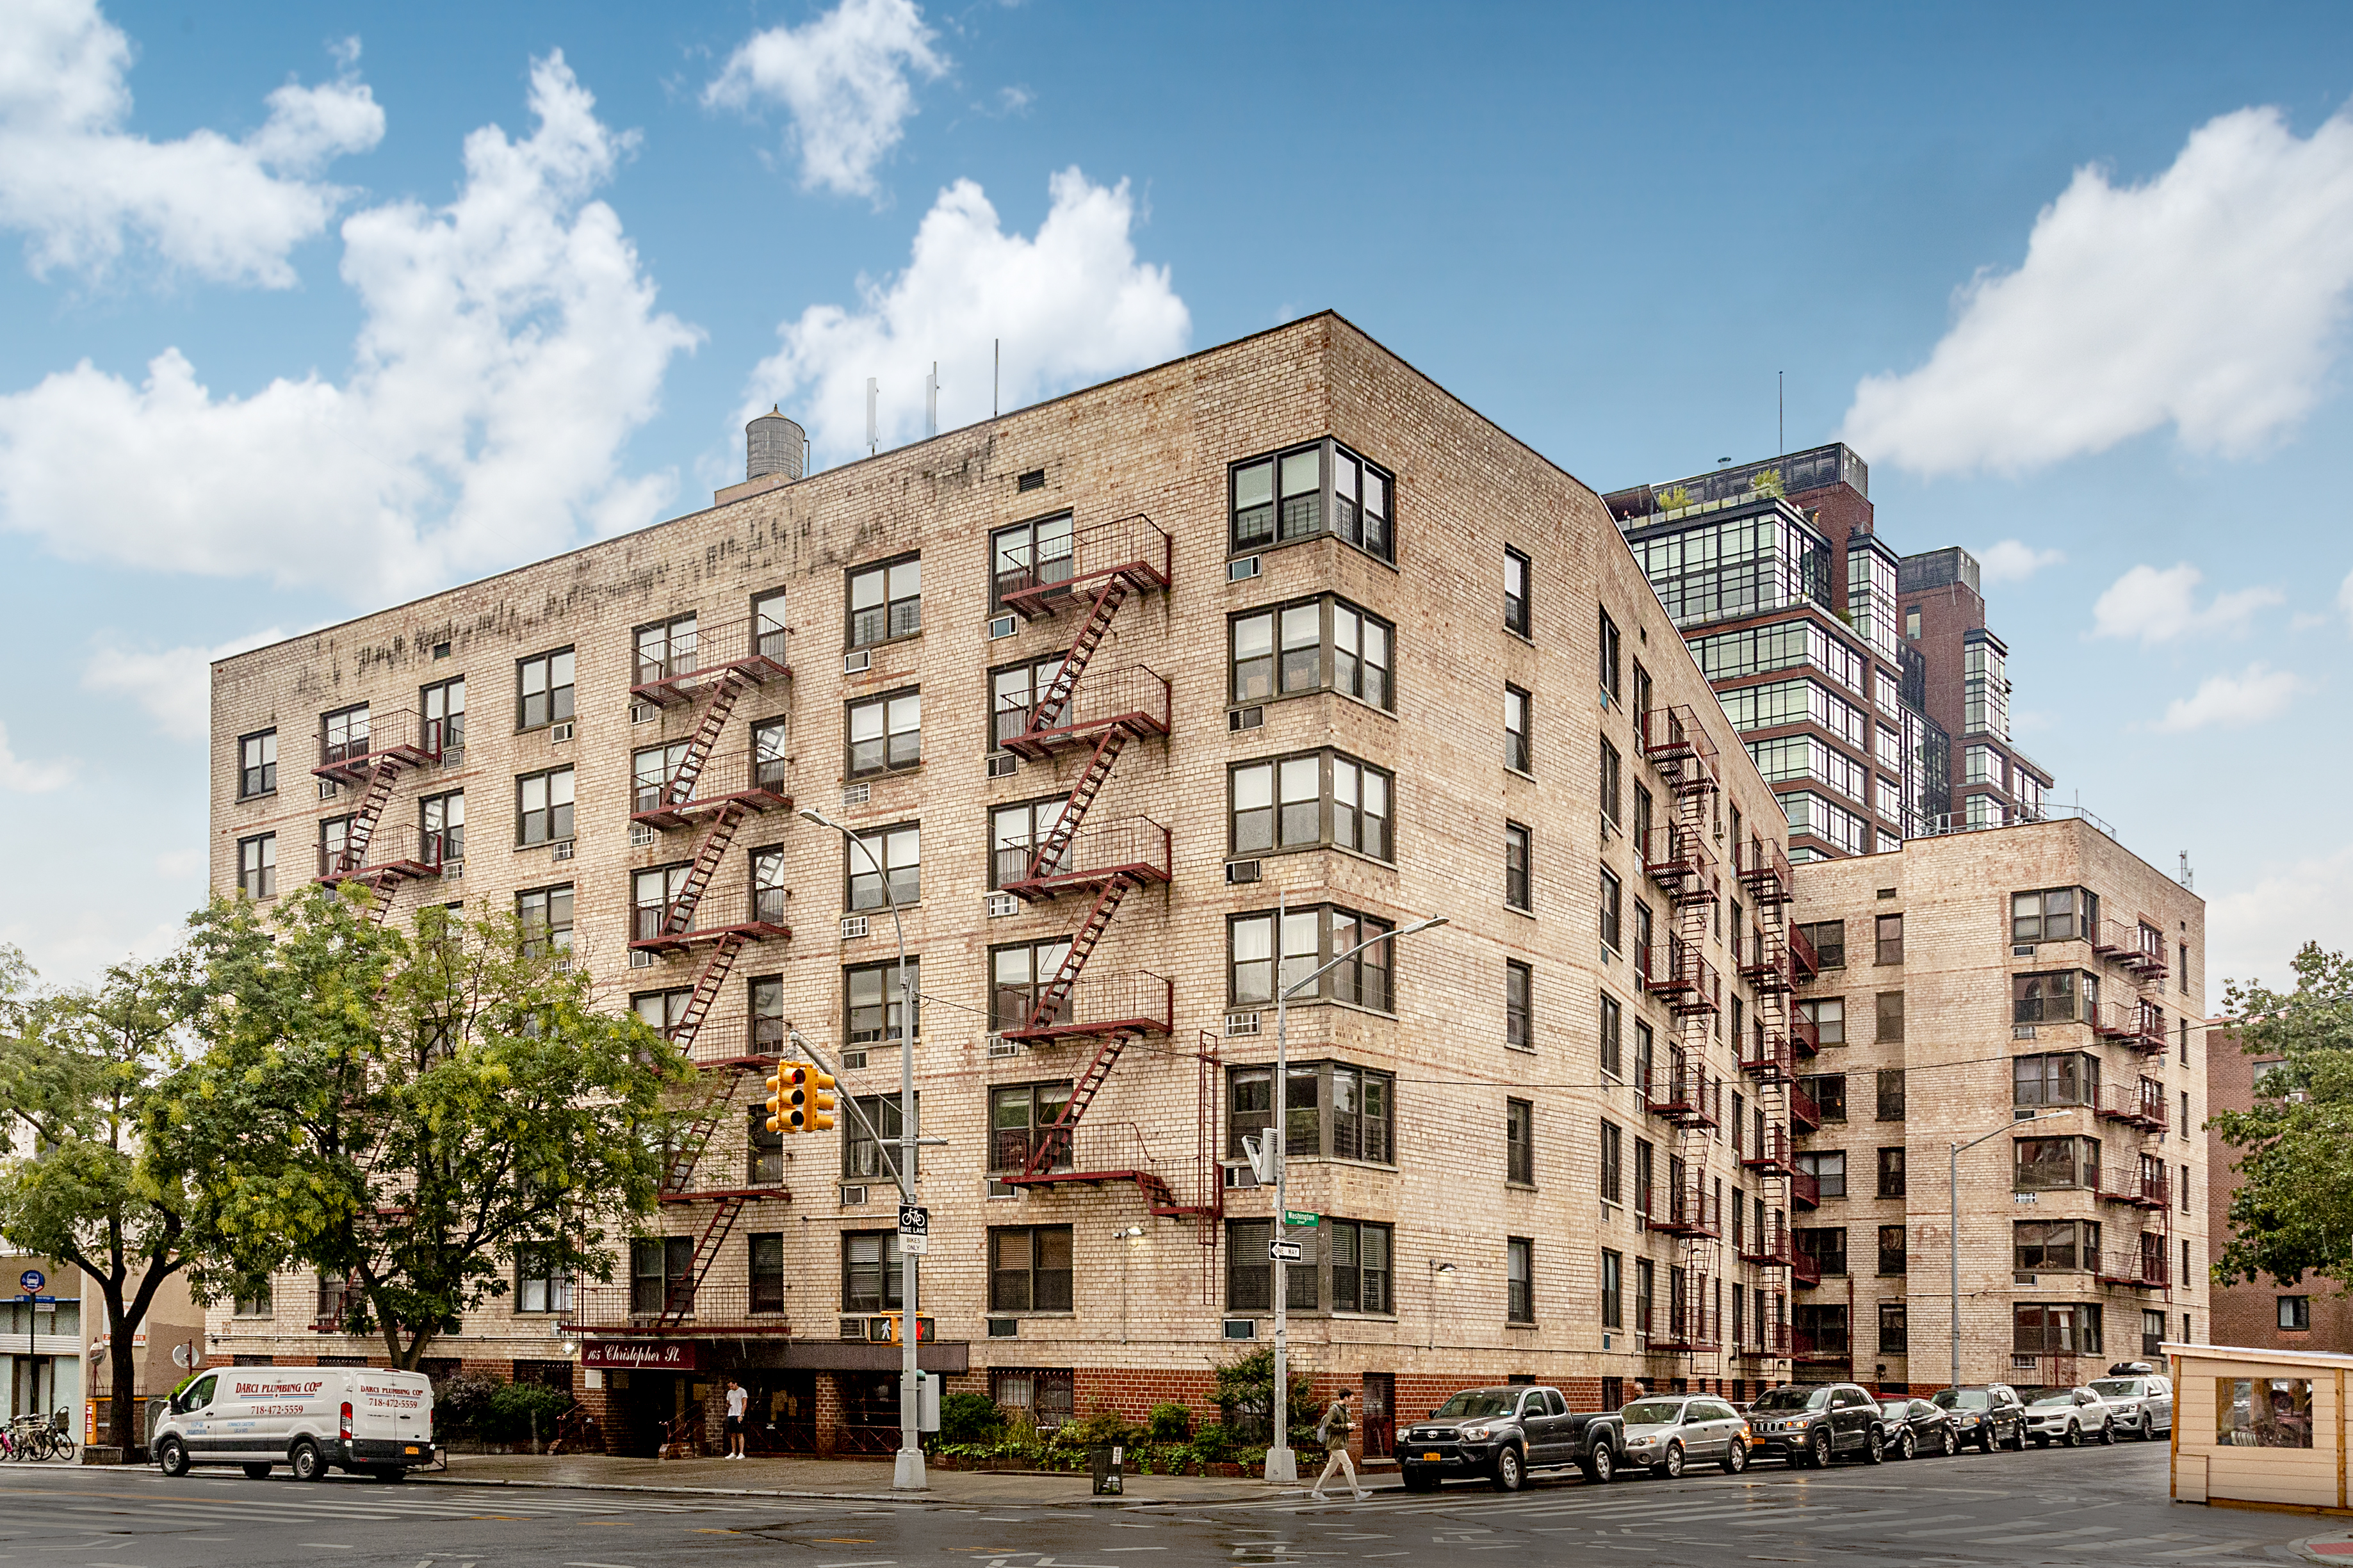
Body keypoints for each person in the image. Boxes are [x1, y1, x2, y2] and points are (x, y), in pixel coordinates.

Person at [1310, 1388, 1367, 1501]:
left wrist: (1350, 1427)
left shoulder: (1346, 1410)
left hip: (1341, 1442)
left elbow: (1344, 1426)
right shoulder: (1334, 1409)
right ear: (1346, 1398)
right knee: (1348, 1465)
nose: (1353, 1399)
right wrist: (1346, 1426)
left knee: (1330, 1468)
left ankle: (1317, 1491)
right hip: (1335, 1443)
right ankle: (1357, 1493)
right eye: (1352, 1397)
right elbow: (1329, 1426)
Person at [724, 1378, 749, 1459]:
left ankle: (741, 1453)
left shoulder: (742, 1391)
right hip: (731, 1414)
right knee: (732, 1434)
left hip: (738, 1414)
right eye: (730, 1386)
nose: (731, 1388)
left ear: (736, 1383)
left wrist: (741, 1415)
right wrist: (728, 1405)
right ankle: (733, 1452)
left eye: (732, 1386)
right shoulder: (730, 1392)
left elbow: (745, 1404)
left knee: (740, 1433)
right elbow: (728, 1402)